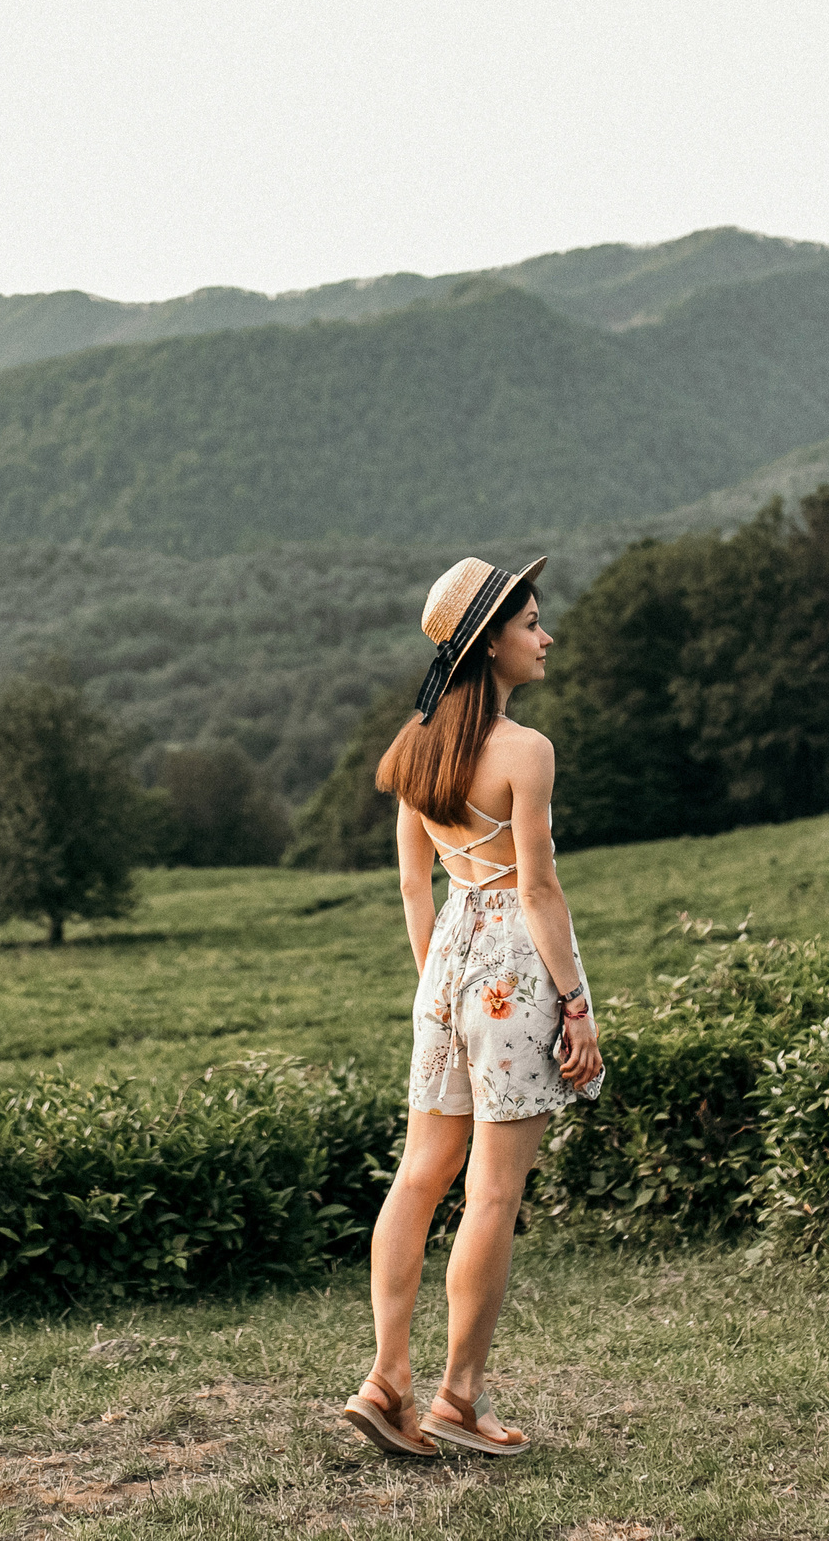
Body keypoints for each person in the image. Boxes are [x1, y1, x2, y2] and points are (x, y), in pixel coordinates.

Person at [341, 554, 604, 1460]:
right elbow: (539, 893)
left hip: (446, 963)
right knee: (492, 1190)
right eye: (532, 621)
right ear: (491, 641)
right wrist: (574, 1004)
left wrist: (437, 988)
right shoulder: (526, 753)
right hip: (512, 970)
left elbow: (416, 887)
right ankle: (458, 1396)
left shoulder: (415, 749)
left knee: (420, 1174)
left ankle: (386, 1379)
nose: (546, 635)